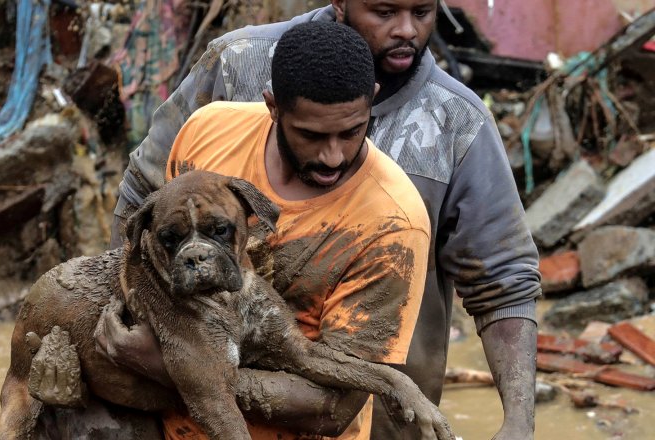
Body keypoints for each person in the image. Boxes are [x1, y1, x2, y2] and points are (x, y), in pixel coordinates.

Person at [108, 1, 541, 439]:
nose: (406, 29)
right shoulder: (232, 76)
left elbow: (504, 279)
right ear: (273, 107)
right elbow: (144, 201)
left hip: (363, 402)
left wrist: (519, 424)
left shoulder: (448, 133)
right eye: (385, 11)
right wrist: (131, 319)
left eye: (423, 11)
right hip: (180, 411)